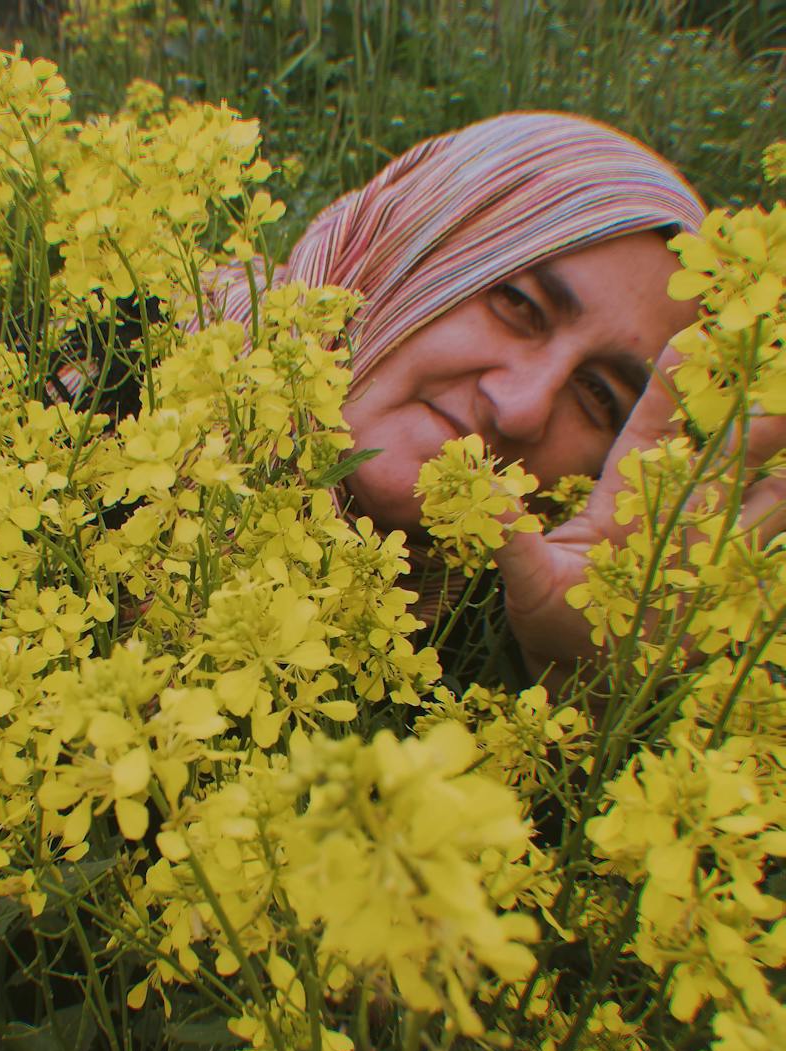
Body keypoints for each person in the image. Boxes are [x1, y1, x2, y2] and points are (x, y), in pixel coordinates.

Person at [203, 111, 786, 683]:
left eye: (598, 396)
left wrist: (585, 699)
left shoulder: (511, 649)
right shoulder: (126, 348)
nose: (523, 406)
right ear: (405, 254)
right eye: (518, 303)